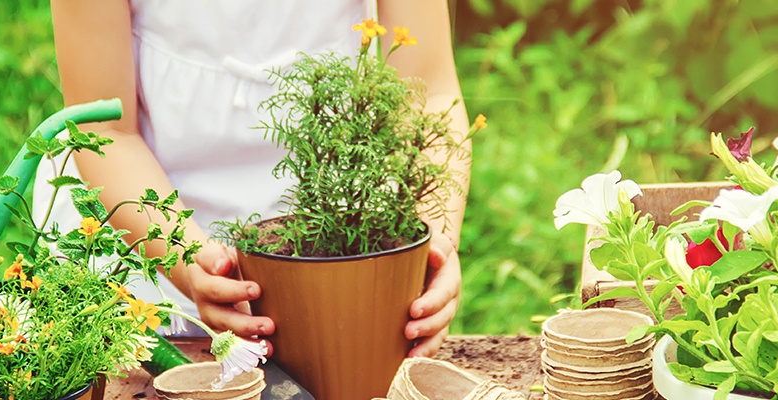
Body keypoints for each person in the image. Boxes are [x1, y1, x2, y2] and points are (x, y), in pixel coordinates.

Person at [39, 0, 470, 357]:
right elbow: (107, 131)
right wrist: (189, 264)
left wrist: (430, 240)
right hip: (145, 234)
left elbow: (428, 91)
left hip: (338, 238)